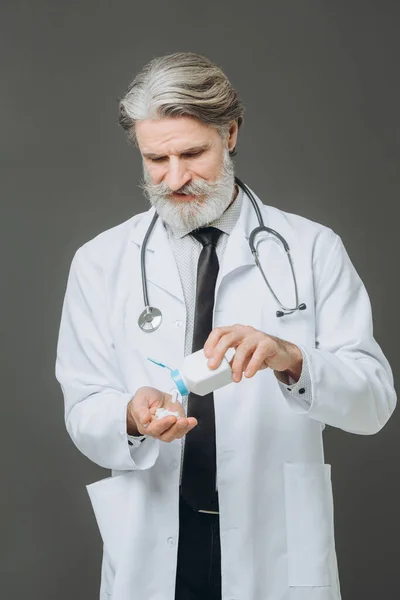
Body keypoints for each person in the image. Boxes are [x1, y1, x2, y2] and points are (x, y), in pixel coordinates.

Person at [55, 52, 396, 600]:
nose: (175, 177)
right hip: (155, 541)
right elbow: (83, 406)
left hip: (275, 543)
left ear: (230, 133)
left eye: (192, 153)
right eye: (155, 159)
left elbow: (375, 404)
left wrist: (292, 359)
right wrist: (130, 416)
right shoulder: (99, 262)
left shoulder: (312, 250)